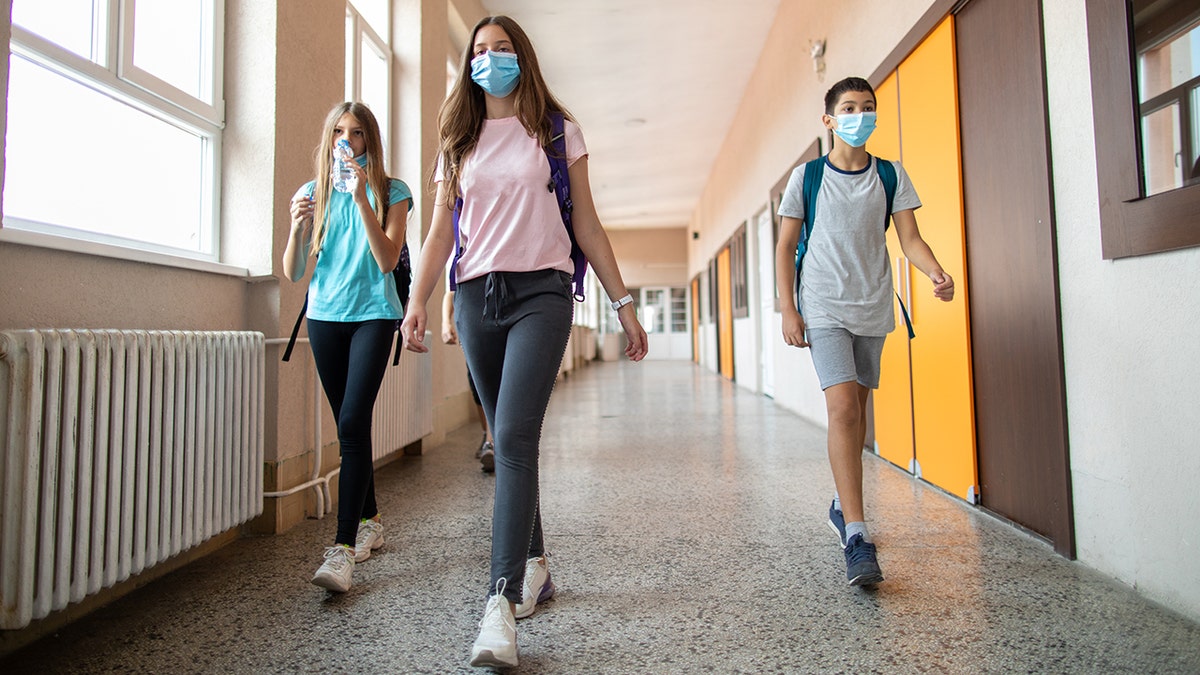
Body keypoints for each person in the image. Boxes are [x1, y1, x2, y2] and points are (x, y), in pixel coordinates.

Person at [399, 15, 648, 669]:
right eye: (479, 50)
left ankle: (500, 605)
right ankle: (535, 564)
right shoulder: (456, 141)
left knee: (509, 438)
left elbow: (587, 223)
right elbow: (438, 235)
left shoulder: (556, 130)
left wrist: (624, 306)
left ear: (523, 57)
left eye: (502, 48)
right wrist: (417, 299)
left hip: (543, 292)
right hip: (479, 298)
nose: (490, 59)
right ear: (468, 64)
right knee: (510, 435)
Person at [775, 77, 954, 587]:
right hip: (824, 306)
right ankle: (857, 534)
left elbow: (910, 238)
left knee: (860, 412)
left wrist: (935, 272)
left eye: (868, 107)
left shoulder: (891, 176)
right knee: (843, 408)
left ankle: (841, 502)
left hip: (873, 306)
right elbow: (785, 246)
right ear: (829, 119)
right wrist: (789, 309)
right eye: (849, 108)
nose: (861, 114)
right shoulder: (807, 177)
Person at [282, 101, 413, 593]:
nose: (347, 141)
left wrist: (361, 198)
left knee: (353, 422)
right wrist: (297, 226)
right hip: (323, 318)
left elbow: (386, 259)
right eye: (339, 131)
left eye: (357, 133)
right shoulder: (312, 193)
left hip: (373, 318)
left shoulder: (392, 192)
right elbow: (295, 272)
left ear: (368, 141)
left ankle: (341, 551)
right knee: (348, 426)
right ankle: (372, 518)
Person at [441, 288, 495, 472]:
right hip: (475, 330)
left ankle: (492, 441)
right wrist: (445, 323)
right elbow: (451, 292)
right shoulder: (465, 260)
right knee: (477, 386)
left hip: (502, 327)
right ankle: (487, 435)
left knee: (495, 385)